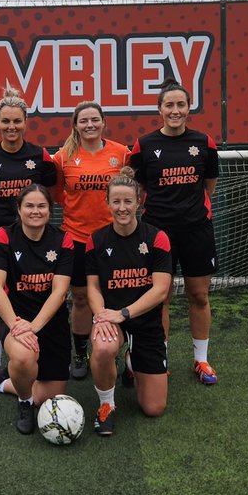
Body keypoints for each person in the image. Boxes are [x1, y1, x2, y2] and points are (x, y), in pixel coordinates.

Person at [129, 81, 221, 385]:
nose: (175, 110)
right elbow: (140, 188)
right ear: (159, 109)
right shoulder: (143, 146)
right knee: (161, 298)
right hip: (158, 235)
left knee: (199, 295)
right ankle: (161, 357)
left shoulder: (204, 143)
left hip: (196, 231)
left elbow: (208, 187)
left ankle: (201, 360)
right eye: (169, 105)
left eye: (181, 104)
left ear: (189, 108)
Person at [0, 85, 58, 392]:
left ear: (26, 122)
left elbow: (49, 196)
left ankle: (40, 349)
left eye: (17, 121)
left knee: (37, 295)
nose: (11, 127)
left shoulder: (40, 157)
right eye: (5, 121)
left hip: (33, 240)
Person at [85, 168, 172, 436]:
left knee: (153, 408)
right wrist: (101, 315)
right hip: (112, 318)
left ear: (139, 202)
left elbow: (160, 290)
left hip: (143, 320)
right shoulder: (96, 240)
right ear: (108, 203)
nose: (122, 208)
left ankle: (132, 363)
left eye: (128, 201)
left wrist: (124, 313)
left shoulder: (157, 237)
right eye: (116, 201)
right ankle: (106, 405)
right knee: (101, 348)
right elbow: (93, 287)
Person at [0, 183, 74, 433]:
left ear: (50, 210)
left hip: (50, 323)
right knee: (25, 358)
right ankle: (24, 402)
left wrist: (34, 326)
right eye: (29, 206)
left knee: (48, 397)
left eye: (42, 206)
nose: (36, 211)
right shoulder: (4, 236)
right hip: (15, 320)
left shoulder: (63, 239)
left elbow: (59, 292)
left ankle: (3, 382)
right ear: (19, 209)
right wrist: (17, 325)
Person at [52, 101, 129, 380]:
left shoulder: (121, 154)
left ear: (103, 122)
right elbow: (58, 194)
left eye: (94, 120)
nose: (90, 125)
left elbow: (130, 192)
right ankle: (80, 353)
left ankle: (121, 351)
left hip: (114, 239)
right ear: (75, 125)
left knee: (115, 297)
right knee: (82, 298)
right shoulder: (63, 157)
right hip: (77, 238)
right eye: (83, 121)